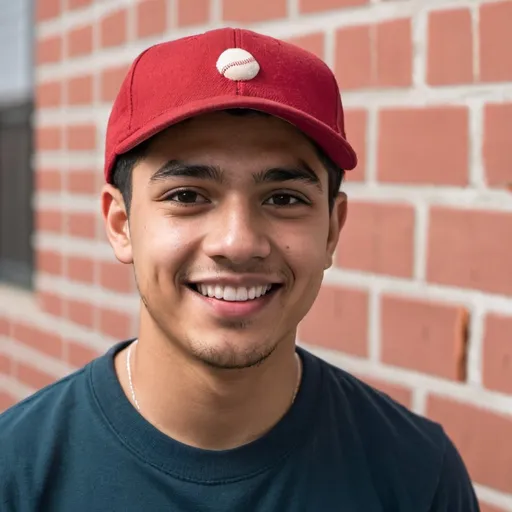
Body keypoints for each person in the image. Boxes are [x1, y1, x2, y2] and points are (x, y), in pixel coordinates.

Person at [0, 27, 480, 511]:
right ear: (121, 224)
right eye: (187, 196)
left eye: (284, 198)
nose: (238, 242)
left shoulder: (418, 475)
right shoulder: (16, 474)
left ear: (332, 230)